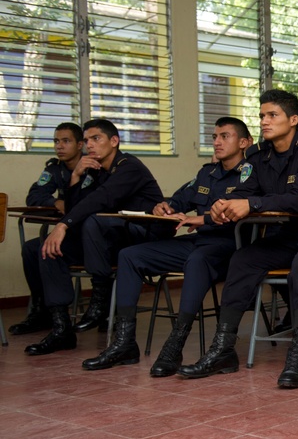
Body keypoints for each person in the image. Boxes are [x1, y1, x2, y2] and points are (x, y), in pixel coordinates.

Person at [177, 90, 298, 389]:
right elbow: (245, 192)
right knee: (243, 259)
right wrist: (222, 205)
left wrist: (252, 204)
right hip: (287, 234)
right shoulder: (258, 155)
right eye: (261, 116)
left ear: (293, 120)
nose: (264, 122)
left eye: (272, 115)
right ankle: (222, 350)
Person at [79, 117, 253, 374]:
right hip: (199, 241)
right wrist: (165, 206)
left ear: (244, 142)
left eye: (224, 136)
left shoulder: (252, 174)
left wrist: (201, 219)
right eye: (214, 136)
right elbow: (181, 198)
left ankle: (175, 345)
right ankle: (124, 343)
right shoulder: (208, 172)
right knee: (130, 256)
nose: (216, 142)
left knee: (197, 260)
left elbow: (242, 213)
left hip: (232, 246)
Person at [26, 119, 166, 355]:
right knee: (48, 249)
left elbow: (101, 200)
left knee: (92, 221)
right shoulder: (93, 169)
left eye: (96, 139)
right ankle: (62, 329)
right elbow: (75, 208)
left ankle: (100, 300)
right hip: (105, 240)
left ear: (114, 141)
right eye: (87, 140)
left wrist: (63, 225)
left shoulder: (129, 166)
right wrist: (75, 178)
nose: (89, 145)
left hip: (140, 239)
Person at [10, 122, 84, 336]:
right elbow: (34, 196)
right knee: (32, 249)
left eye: (66, 141)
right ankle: (42, 311)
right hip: (68, 233)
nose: (59, 146)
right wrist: (55, 202)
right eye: (56, 141)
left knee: (47, 249)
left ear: (80, 145)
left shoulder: (92, 167)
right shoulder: (54, 169)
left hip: (90, 235)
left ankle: (67, 317)